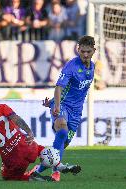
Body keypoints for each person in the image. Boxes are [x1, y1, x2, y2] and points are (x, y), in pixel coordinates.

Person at [0, 91, 79, 181]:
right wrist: (30, 132)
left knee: (7, 176)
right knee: (43, 150)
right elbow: (17, 119)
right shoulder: (1, 108)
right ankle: (61, 166)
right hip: (29, 146)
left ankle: (33, 178)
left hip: (14, 160)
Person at [29, 35, 95, 181]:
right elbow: (59, 87)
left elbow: (76, 90)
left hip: (76, 112)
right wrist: (56, 105)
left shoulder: (93, 67)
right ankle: (57, 171)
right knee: (62, 130)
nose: (85, 54)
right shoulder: (71, 66)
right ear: (78, 49)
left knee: (62, 144)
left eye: (88, 52)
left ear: (93, 51)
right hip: (62, 105)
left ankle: (38, 170)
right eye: (82, 51)